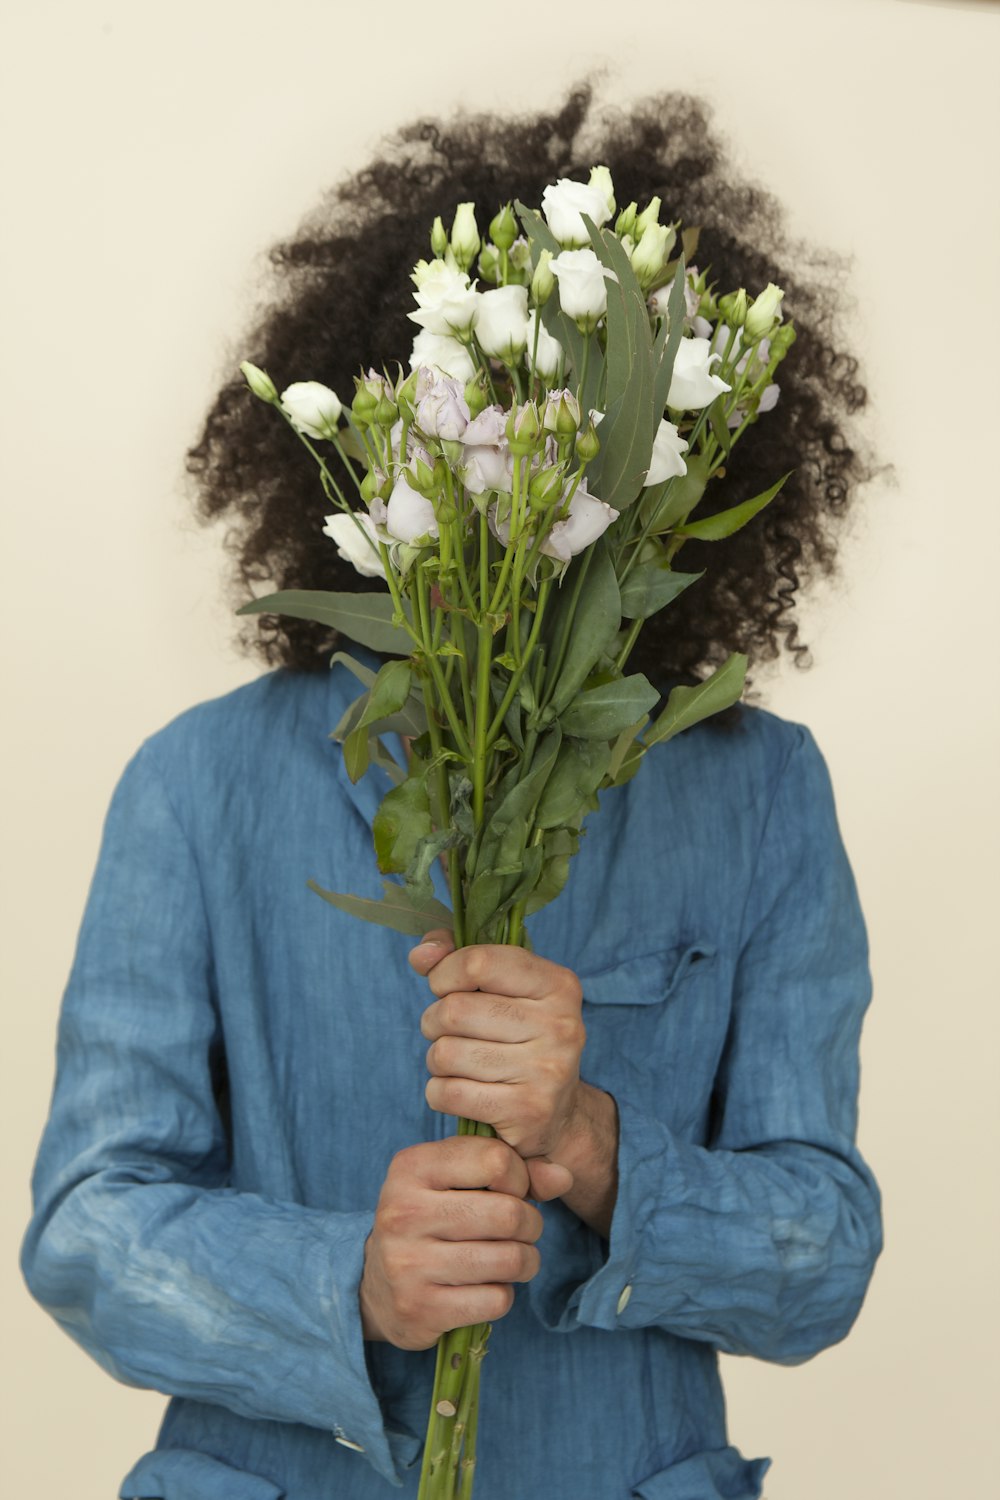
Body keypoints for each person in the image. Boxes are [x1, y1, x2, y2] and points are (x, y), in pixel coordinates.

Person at [21, 84, 883, 1499]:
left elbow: (824, 1263)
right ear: (395, 441)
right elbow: (86, 1231)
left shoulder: (762, 790)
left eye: (595, 442)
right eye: (488, 431)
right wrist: (344, 1281)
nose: (535, 480)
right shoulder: (197, 784)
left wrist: (598, 1149)